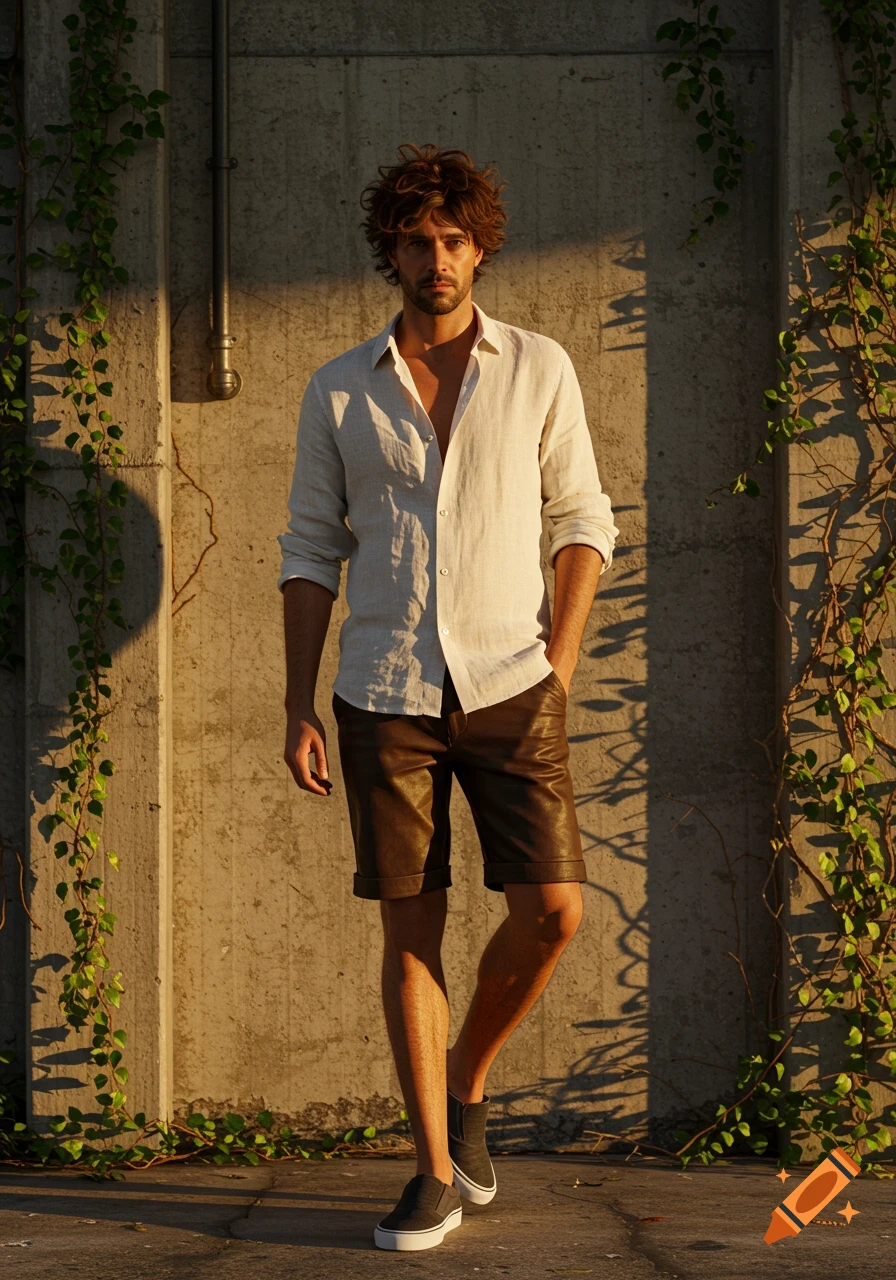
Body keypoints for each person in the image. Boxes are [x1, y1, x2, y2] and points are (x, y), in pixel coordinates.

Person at [278, 143, 618, 1252]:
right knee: (409, 929)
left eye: (453, 240)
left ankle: (469, 1073)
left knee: (553, 909)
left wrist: (557, 665)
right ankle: (430, 1167)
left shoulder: (537, 367)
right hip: (383, 691)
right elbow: (308, 551)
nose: (435, 258)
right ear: (391, 249)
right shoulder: (339, 387)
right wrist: (297, 701)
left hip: (514, 681)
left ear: (480, 246)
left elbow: (582, 519)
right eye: (416, 240)